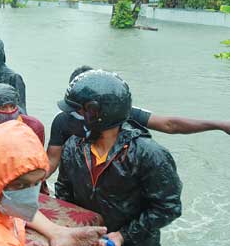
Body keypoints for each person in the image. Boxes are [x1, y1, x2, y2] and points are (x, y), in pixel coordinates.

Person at [56, 70, 183, 246]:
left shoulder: (149, 154)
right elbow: (64, 191)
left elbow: (168, 206)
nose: (71, 117)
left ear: (98, 113)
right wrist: (68, 232)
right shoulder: (73, 147)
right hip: (85, 245)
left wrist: (123, 236)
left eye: (78, 110)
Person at [45, 65, 230, 176]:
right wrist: (29, 181)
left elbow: (169, 124)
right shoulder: (63, 121)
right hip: (80, 183)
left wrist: (218, 124)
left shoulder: (120, 113)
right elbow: (52, 161)